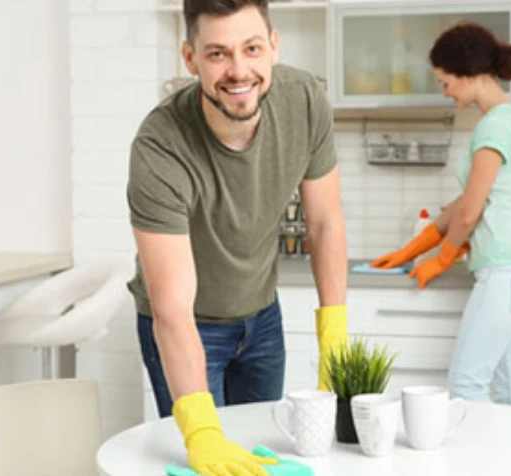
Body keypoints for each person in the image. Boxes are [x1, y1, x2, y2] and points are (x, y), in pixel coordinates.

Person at [126, 0, 348, 474]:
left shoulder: (304, 100)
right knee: (209, 461)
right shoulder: (160, 146)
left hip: (262, 320)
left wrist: (335, 335)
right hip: (188, 325)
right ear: (190, 59)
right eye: (218, 54)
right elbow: (171, 307)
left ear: (273, 46)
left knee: (260, 455)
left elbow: (325, 222)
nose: (239, 70)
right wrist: (202, 433)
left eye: (251, 48)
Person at [372, 23, 511, 407]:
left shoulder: (494, 126)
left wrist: (441, 259)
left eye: (445, 81)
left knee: (467, 384)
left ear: (468, 74)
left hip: (503, 275)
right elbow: (464, 202)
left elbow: (470, 211)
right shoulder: (509, 120)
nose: (445, 91)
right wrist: (415, 247)